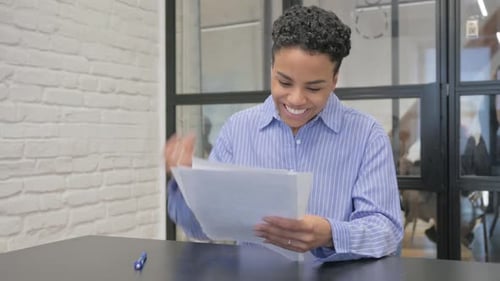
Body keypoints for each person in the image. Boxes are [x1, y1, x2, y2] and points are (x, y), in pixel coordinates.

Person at [165, 5, 403, 262]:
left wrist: (330, 233)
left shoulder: (367, 135)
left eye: (313, 87)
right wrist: (184, 181)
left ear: (334, 80)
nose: (296, 99)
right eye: (285, 82)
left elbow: (386, 231)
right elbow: (201, 228)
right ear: (271, 69)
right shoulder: (238, 129)